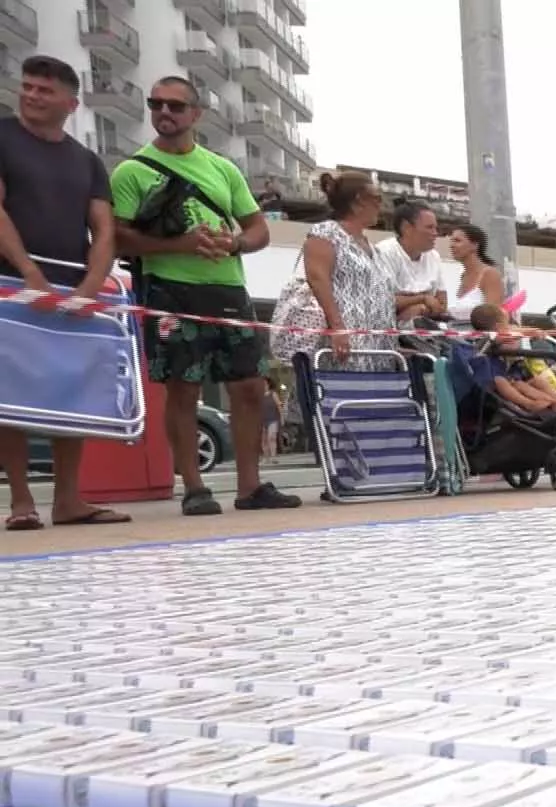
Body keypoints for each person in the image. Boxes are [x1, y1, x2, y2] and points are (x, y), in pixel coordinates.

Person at [113, 75, 292, 515]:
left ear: (196, 114)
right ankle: (194, 487)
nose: (165, 113)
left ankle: (250, 487)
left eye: (176, 106)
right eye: (156, 104)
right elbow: (118, 238)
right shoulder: (131, 171)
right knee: (183, 387)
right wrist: (181, 244)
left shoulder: (222, 168)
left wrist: (233, 243)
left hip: (227, 289)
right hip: (169, 290)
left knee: (250, 385)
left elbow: (258, 229)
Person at [0, 55, 128, 531]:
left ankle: (69, 499)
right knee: (8, 391)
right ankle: (20, 500)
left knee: (68, 389)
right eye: (28, 86)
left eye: (44, 90)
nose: (32, 94)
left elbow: (104, 228)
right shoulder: (3, 136)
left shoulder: (87, 160)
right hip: (10, 285)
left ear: (70, 103)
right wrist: (29, 272)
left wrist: (93, 285)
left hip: (72, 287)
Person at [270, 171, 393, 375]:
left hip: (375, 350)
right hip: (342, 346)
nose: (381, 204)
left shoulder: (373, 247)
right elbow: (318, 278)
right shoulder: (326, 233)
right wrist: (337, 327)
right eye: (377, 198)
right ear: (358, 202)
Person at [472, 303, 556, 416]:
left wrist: (535, 331)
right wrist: (528, 332)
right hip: (498, 386)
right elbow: (502, 337)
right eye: (507, 325)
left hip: (521, 382)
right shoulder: (484, 340)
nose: (510, 327)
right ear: (499, 327)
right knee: (502, 381)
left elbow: (513, 331)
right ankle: (539, 404)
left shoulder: (500, 336)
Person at [379, 201, 445, 324]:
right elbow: (382, 301)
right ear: (407, 228)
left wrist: (420, 309)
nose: (435, 233)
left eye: (436, 228)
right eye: (429, 227)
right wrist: (423, 298)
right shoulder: (384, 253)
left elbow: (441, 302)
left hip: (425, 329)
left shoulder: (433, 256)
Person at [446, 224, 503, 331]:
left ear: (474, 245)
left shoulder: (490, 274)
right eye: (451, 241)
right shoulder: (463, 276)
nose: (451, 245)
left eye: (457, 241)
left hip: (479, 342)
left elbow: (494, 318)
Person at [262, 382, 283, 465]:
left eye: (265, 385)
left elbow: (279, 405)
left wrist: (282, 417)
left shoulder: (273, 394)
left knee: (271, 437)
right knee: (264, 440)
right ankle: (266, 457)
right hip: (261, 420)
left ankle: (273, 457)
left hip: (273, 419)